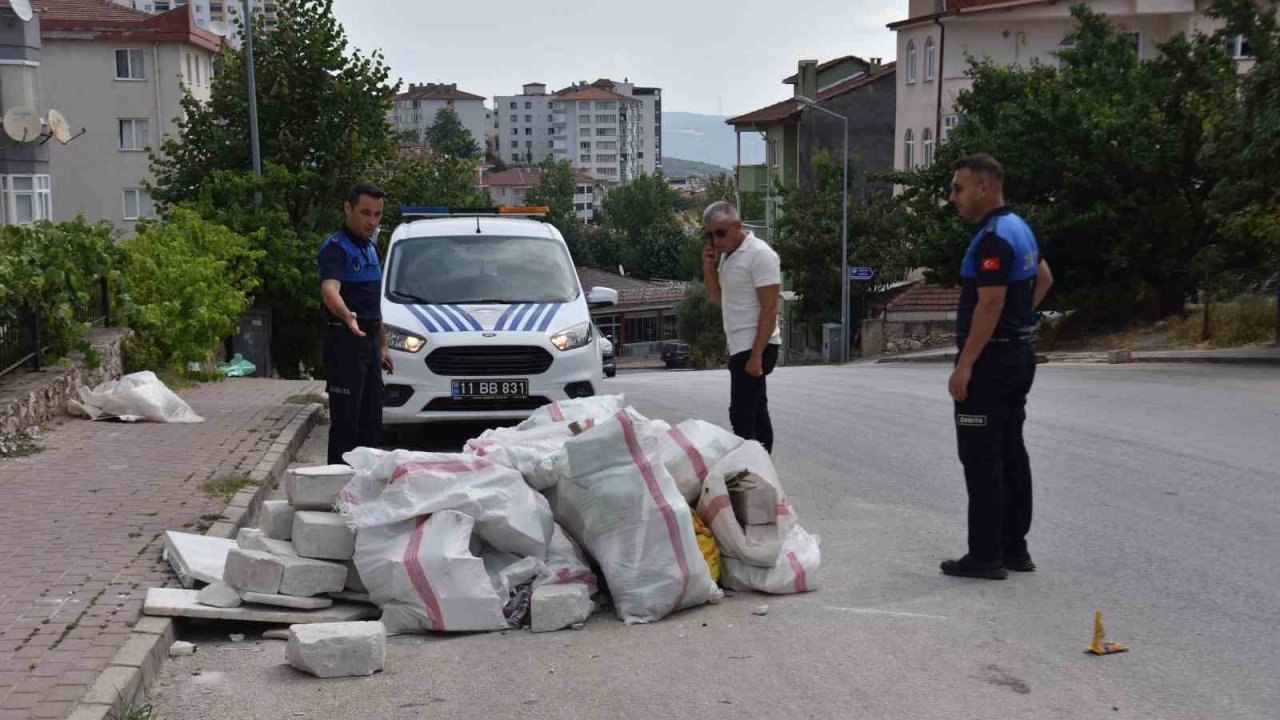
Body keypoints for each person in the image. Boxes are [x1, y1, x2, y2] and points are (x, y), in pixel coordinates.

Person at [941, 154, 1053, 580]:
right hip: (1019, 353)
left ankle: (985, 555)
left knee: (981, 456)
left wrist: (966, 363)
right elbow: (1043, 279)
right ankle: (1014, 548)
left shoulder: (993, 239)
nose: (954, 197)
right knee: (1010, 451)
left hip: (991, 361)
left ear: (984, 188)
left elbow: (990, 302)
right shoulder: (1018, 228)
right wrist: (1018, 319)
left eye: (959, 188)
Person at [319, 183, 393, 465]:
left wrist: (383, 345)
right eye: (365, 213)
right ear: (348, 208)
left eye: (377, 214)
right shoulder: (336, 248)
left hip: (370, 343)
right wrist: (346, 314)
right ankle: (335, 492)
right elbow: (330, 290)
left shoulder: (371, 247)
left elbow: (373, 305)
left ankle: (366, 491)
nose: (372, 221)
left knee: (371, 423)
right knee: (346, 425)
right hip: (345, 343)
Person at [701, 200, 783, 452]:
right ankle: (760, 469)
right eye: (709, 235)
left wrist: (756, 355)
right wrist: (709, 268)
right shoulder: (729, 256)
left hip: (758, 344)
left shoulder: (760, 254)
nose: (715, 241)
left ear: (737, 226)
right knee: (756, 410)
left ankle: (751, 467)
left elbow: (770, 309)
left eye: (720, 233)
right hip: (740, 345)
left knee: (741, 413)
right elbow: (720, 299)